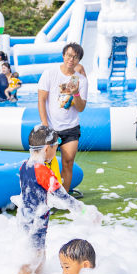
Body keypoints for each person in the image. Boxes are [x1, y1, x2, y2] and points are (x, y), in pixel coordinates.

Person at [16, 125, 100, 274]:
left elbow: (28, 195)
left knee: (38, 256)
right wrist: (85, 212)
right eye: (56, 148)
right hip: (37, 222)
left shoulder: (24, 166)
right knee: (33, 260)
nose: (56, 152)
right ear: (47, 148)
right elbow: (65, 198)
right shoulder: (43, 172)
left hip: (25, 218)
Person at [38, 42, 89, 196]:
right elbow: (41, 99)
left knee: (68, 162)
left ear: (79, 60)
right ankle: (45, 194)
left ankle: (63, 197)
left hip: (71, 127)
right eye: (69, 55)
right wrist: (45, 126)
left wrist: (75, 93)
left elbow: (81, 108)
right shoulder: (50, 73)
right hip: (51, 127)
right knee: (45, 163)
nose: (71, 59)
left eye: (75, 57)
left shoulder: (81, 80)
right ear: (63, 55)